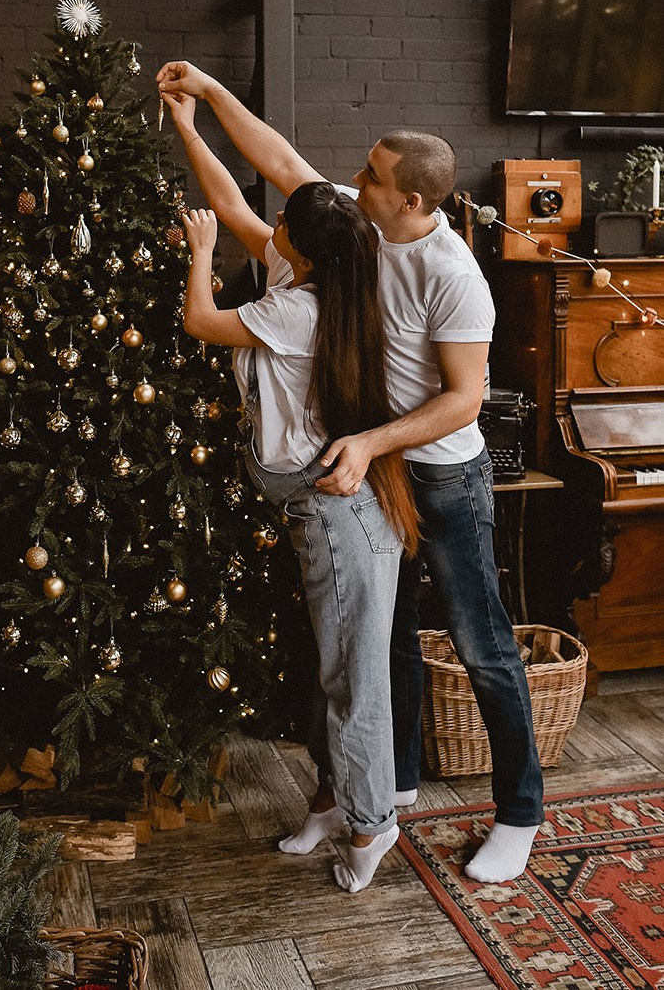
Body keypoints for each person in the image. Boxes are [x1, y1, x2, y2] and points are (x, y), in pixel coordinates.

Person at [156, 62, 545, 885]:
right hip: (369, 470)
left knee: (481, 647)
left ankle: (518, 813)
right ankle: (385, 787)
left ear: (412, 200)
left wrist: (370, 440)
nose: (353, 177)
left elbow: (465, 400)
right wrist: (209, 96)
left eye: (371, 173)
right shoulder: (354, 232)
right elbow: (275, 167)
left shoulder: (454, 276)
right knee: (380, 639)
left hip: (439, 473)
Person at [167, 89, 418, 893]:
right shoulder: (323, 276)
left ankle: (372, 825)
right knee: (332, 675)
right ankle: (337, 803)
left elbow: (202, 321)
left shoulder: (292, 309)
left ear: (297, 253)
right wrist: (185, 123)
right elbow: (235, 198)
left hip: (335, 518)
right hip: (324, 512)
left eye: (280, 226)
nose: (264, 226)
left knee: (354, 681)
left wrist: (200, 252)